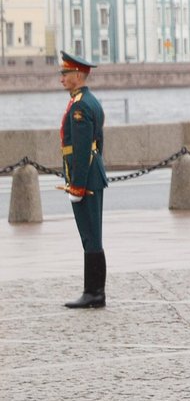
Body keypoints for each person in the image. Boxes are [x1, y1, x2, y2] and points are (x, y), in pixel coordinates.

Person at [58, 51, 108, 309]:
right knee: (93, 235)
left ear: (78, 75)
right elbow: (99, 142)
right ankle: (95, 291)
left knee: (90, 236)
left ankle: (94, 293)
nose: (62, 79)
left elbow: (80, 149)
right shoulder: (91, 101)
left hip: (85, 178)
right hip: (93, 173)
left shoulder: (80, 106)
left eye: (65, 74)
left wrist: (76, 184)